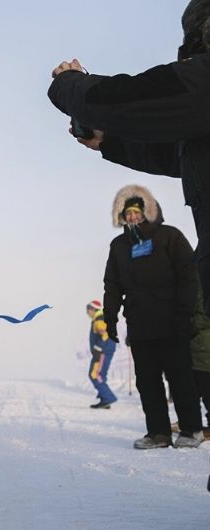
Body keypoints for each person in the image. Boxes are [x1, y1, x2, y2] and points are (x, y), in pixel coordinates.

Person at [47, 0, 210, 316]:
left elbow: (130, 99)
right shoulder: (120, 247)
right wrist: (112, 143)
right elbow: (181, 155)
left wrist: (68, 85)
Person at [101, 185, 203, 449]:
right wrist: (110, 318)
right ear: (122, 217)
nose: (133, 218)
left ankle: (191, 430)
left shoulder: (170, 237)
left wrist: (186, 314)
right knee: (147, 382)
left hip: (173, 322)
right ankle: (158, 433)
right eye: (128, 214)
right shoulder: (119, 245)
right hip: (140, 324)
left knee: (180, 378)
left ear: (148, 211)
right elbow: (112, 285)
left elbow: (189, 277)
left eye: (136, 212)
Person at [86, 299, 117, 409]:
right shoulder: (99, 318)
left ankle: (108, 398)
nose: (87, 312)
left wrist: (98, 347)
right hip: (103, 351)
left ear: (93, 309)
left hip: (102, 351)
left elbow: (105, 334)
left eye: (88, 309)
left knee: (95, 374)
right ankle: (105, 399)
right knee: (100, 374)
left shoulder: (100, 319)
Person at [190, 290, 210, 439]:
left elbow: (204, 317)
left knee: (205, 385)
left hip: (204, 345)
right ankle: (191, 423)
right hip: (198, 344)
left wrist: (188, 322)